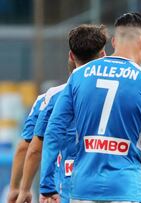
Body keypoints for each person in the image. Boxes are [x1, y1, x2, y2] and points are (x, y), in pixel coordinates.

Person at [40, 12, 141, 203]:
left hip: (83, 189)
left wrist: (47, 185)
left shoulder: (79, 75)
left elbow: (54, 131)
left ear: (113, 41)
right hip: (125, 189)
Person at [15, 24, 108, 203]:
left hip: (69, 189)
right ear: (104, 55)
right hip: (116, 187)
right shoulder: (124, 92)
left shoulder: (53, 97)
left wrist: (21, 188)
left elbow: (31, 148)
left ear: (71, 56)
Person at [7, 94, 45, 203]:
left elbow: (27, 148)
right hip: (96, 183)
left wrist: (19, 188)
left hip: (58, 187)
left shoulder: (48, 98)